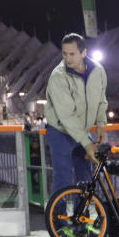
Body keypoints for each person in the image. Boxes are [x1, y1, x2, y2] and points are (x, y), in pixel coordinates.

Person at [44, 32, 108, 192]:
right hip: (60, 131)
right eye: (64, 53)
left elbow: (101, 99)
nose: (67, 58)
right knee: (63, 178)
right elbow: (66, 115)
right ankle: (57, 216)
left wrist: (101, 124)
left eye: (72, 54)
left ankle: (82, 214)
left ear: (84, 53)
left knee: (85, 178)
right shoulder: (58, 76)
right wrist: (86, 143)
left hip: (81, 131)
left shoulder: (98, 71)